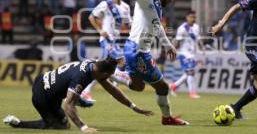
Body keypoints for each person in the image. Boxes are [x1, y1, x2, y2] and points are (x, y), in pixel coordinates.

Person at [120, 0, 189, 125]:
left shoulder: (158, 6)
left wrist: (167, 45)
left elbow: (157, 27)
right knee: (163, 87)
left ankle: (112, 73)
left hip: (136, 50)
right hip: (137, 51)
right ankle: (167, 118)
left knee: (138, 86)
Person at [3, 57, 153, 132]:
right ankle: (18, 123)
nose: (109, 78)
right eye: (109, 75)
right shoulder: (82, 76)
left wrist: (134, 107)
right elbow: (67, 105)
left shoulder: (93, 65)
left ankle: (75, 101)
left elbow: (113, 91)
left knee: (63, 121)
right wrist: (83, 127)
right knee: (59, 125)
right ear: (104, 73)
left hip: (41, 80)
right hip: (43, 97)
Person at [81, 0, 132, 102]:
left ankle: (86, 91)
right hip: (107, 40)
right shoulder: (106, 4)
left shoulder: (126, 7)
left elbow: (128, 24)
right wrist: (100, 30)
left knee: (104, 69)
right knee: (121, 61)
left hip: (116, 41)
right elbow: (91, 17)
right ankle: (117, 85)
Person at [170, 10, 201, 99]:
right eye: (191, 17)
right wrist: (173, 52)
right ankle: (192, 93)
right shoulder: (182, 28)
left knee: (189, 73)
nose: (193, 19)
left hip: (193, 54)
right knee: (190, 72)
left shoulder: (196, 27)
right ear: (187, 17)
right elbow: (177, 42)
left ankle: (174, 86)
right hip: (184, 53)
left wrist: (201, 48)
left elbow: (197, 40)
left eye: (194, 17)